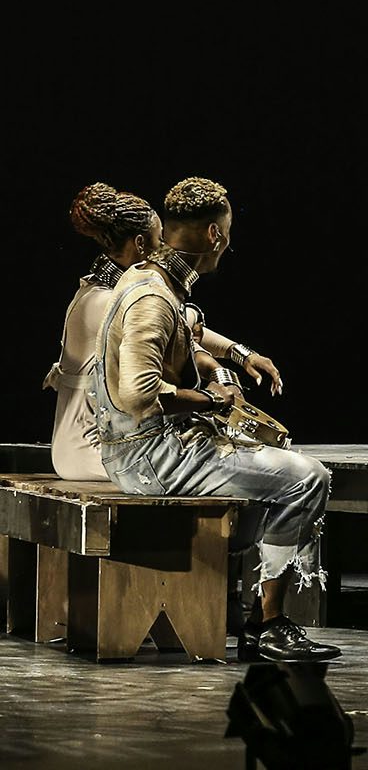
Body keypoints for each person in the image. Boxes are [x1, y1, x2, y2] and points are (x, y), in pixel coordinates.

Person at [89, 178, 337, 661]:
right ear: (215, 235)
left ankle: (252, 615)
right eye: (228, 230)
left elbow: (188, 332)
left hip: (144, 448)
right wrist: (211, 401)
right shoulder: (151, 298)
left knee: (277, 464)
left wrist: (237, 358)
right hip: (147, 456)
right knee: (307, 478)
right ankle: (269, 625)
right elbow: (138, 394)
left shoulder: (150, 279)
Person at [51, 184, 281, 482]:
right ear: (140, 244)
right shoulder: (107, 302)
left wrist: (240, 355)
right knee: (250, 470)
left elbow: (184, 327)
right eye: (160, 238)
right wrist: (217, 389)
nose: (166, 246)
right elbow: (182, 326)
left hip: (105, 442)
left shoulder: (106, 291)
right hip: (92, 449)